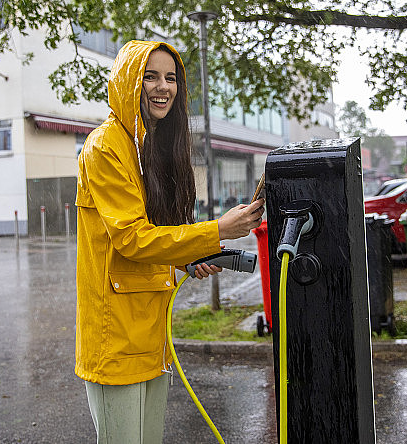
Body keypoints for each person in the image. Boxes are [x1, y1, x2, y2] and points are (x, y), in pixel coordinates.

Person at [75, 40, 265, 444]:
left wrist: (186, 258)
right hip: (116, 338)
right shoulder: (105, 147)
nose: (163, 87)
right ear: (129, 81)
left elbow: (152, 238)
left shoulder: (148, 147)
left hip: (150, 334)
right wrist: (216, 231)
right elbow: (131, 239)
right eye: (150, 76)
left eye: (171, 78)